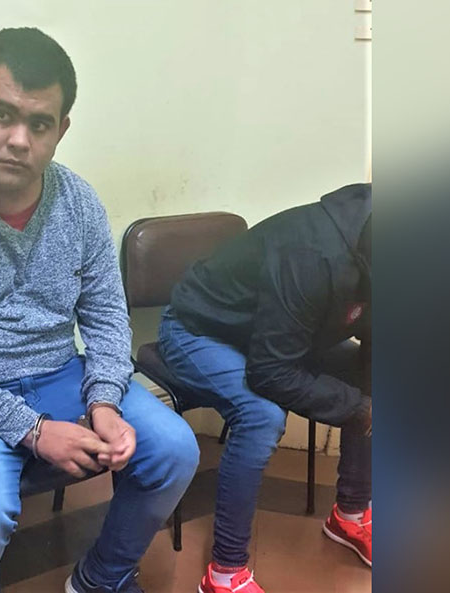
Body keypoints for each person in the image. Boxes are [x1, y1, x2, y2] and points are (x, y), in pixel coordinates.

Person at [0, 27, 199, 593]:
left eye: (40, 123)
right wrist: (33, 430)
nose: (19, 140)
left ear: (61, 131)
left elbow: (106, 315)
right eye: (2, 114)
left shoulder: (78, 202)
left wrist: (104, 400)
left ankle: (100, 578)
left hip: (61, 374)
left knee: (174, 450)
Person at [158, 184, 372, 593]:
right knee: (262, 415)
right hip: (199, 329)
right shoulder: (312, 256)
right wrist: (361, 410)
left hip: (282, 332)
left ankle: (350, 514)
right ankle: (225, 574)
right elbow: (271, 372)